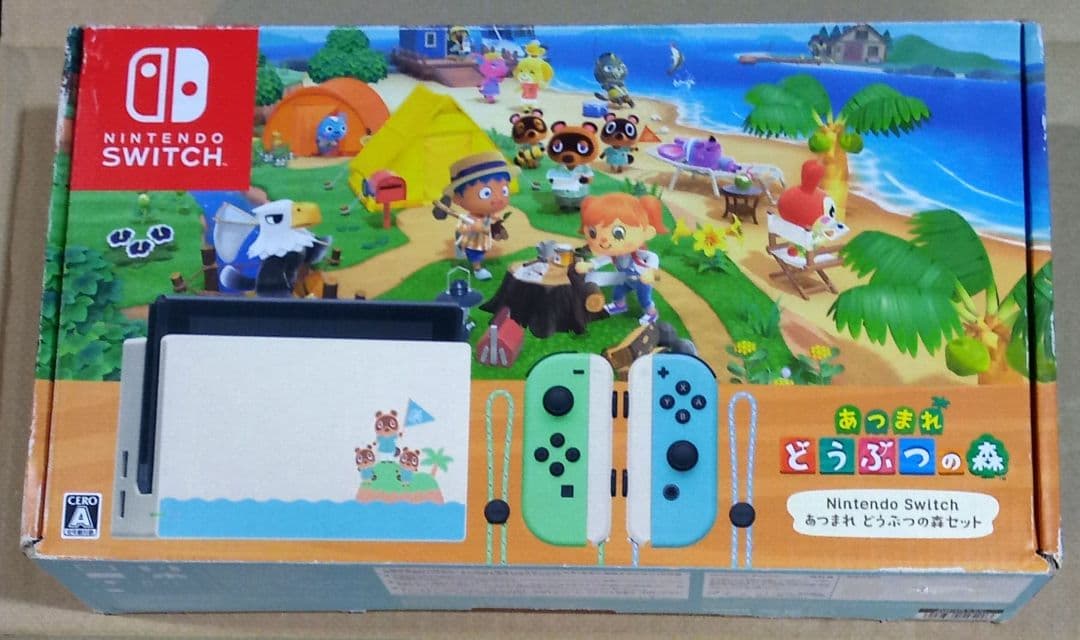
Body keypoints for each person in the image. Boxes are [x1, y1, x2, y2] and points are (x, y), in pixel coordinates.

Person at [575, 193, 667, 324]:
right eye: (593, 233)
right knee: (618, 291)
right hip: (625, 279)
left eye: (618, 233)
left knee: (644, 300)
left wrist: (651, 273)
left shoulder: (639, 254)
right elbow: (601, 260)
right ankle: (620, 305)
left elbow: (654, 261)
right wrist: (589, 264)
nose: (604, 241)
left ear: (647, 233)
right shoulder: (614, 254)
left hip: (642, 281)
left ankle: (652, 313)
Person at [437, 151, 514, 281]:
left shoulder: (487, 214)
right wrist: (473, 227)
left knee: (482, 251)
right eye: (486, 193)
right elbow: (461, 229)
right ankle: (477, 269)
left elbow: (490, 218)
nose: (498, 199)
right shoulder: (469, 219)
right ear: (457, 198)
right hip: (473, 242)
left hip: (483, 240)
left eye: (504, 191)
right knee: (475, 255)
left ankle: (473, 259)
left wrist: (495, 220)